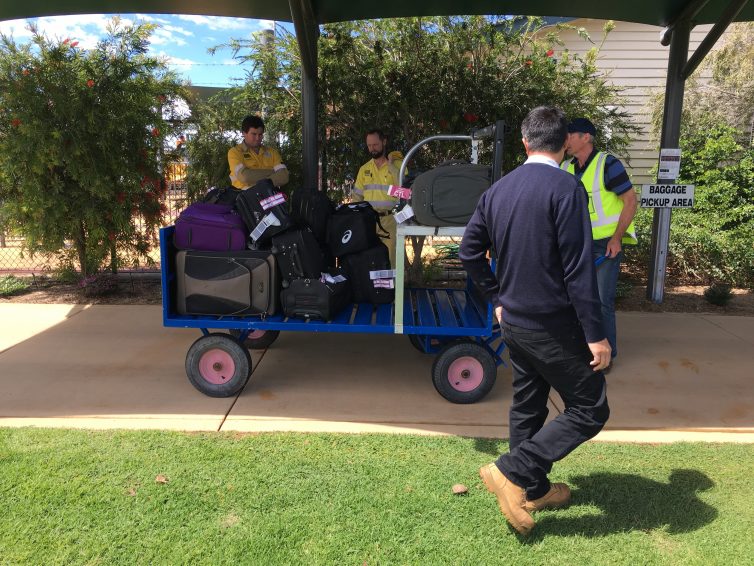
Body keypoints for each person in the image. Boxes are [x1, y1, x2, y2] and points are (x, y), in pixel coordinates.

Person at [459, 106, 611, 536]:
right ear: (565, 144)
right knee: (591, 407)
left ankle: (534, 488)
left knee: (528, 405)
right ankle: (512, 469)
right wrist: (597, 336)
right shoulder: (567, 188)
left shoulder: (498, 190)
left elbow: (469, 252)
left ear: (525, 143)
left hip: (513, 322)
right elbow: (579, 272)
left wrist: (496, 297)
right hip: (551, 326)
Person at [562, 118, 637, 372]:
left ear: (586, 137)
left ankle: (607, 356)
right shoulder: (567, 167)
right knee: (575, 298)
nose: (566, 139)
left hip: (605, 245)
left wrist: (617, 238)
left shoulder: (608, 164)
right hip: (576, 245)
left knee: (601, 300)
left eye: (569, 134)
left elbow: (630, 201)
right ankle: (584, 349)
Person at [353, 129, 404, 267]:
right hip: (369, 221)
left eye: (375, 144)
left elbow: (405, 193)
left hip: (390, 221)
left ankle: (391, 289)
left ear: (384, 141)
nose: (372, 149)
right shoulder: (364, 169)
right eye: (369, 145)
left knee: (390, 261)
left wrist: (391, 167)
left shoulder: (398, 165)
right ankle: (373, 289)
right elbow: (357, 197)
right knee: (370, 262)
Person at [228, 115, 289, 190]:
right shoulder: (235, 152)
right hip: (245, 198)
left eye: (260, 134)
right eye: (254, 134)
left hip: (270, 197)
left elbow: (284, 176)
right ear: (244, 133)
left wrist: (253, 175)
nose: (257, 138)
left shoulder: (272, 152)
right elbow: (245, 177)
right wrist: (273, 172)